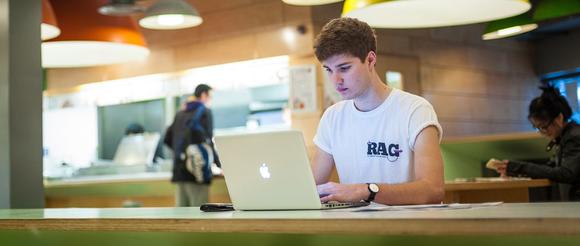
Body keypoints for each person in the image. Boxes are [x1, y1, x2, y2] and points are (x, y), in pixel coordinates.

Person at [311, 17, 444, 205]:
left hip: (407, 229)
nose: (336, 80)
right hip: (353, 230)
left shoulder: (415, 110)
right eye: (328, 70)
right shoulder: (332, 117)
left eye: (344, 68)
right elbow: (311, 187)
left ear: (371, 59)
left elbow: (433, 190)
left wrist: (365, 191)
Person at [490, 86, 580, 201]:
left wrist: (519, 168)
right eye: (537, 128)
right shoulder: (565, 136)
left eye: (544, 127)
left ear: (559, 118)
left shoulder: (574, 137)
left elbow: (565, 173)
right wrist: (513, 169)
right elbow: (552, 168)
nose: (543, 133)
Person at [164, 84, 221, 207]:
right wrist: (219, 164)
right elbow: (208, 141)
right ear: (203, 95)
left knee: (181, 213)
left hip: (179, 170)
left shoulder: (180, 113)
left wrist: (182, 154)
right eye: (210, 96)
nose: (211, 100)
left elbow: (167, 139)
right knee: (199, 210)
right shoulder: (205, 112)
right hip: (197, 170)